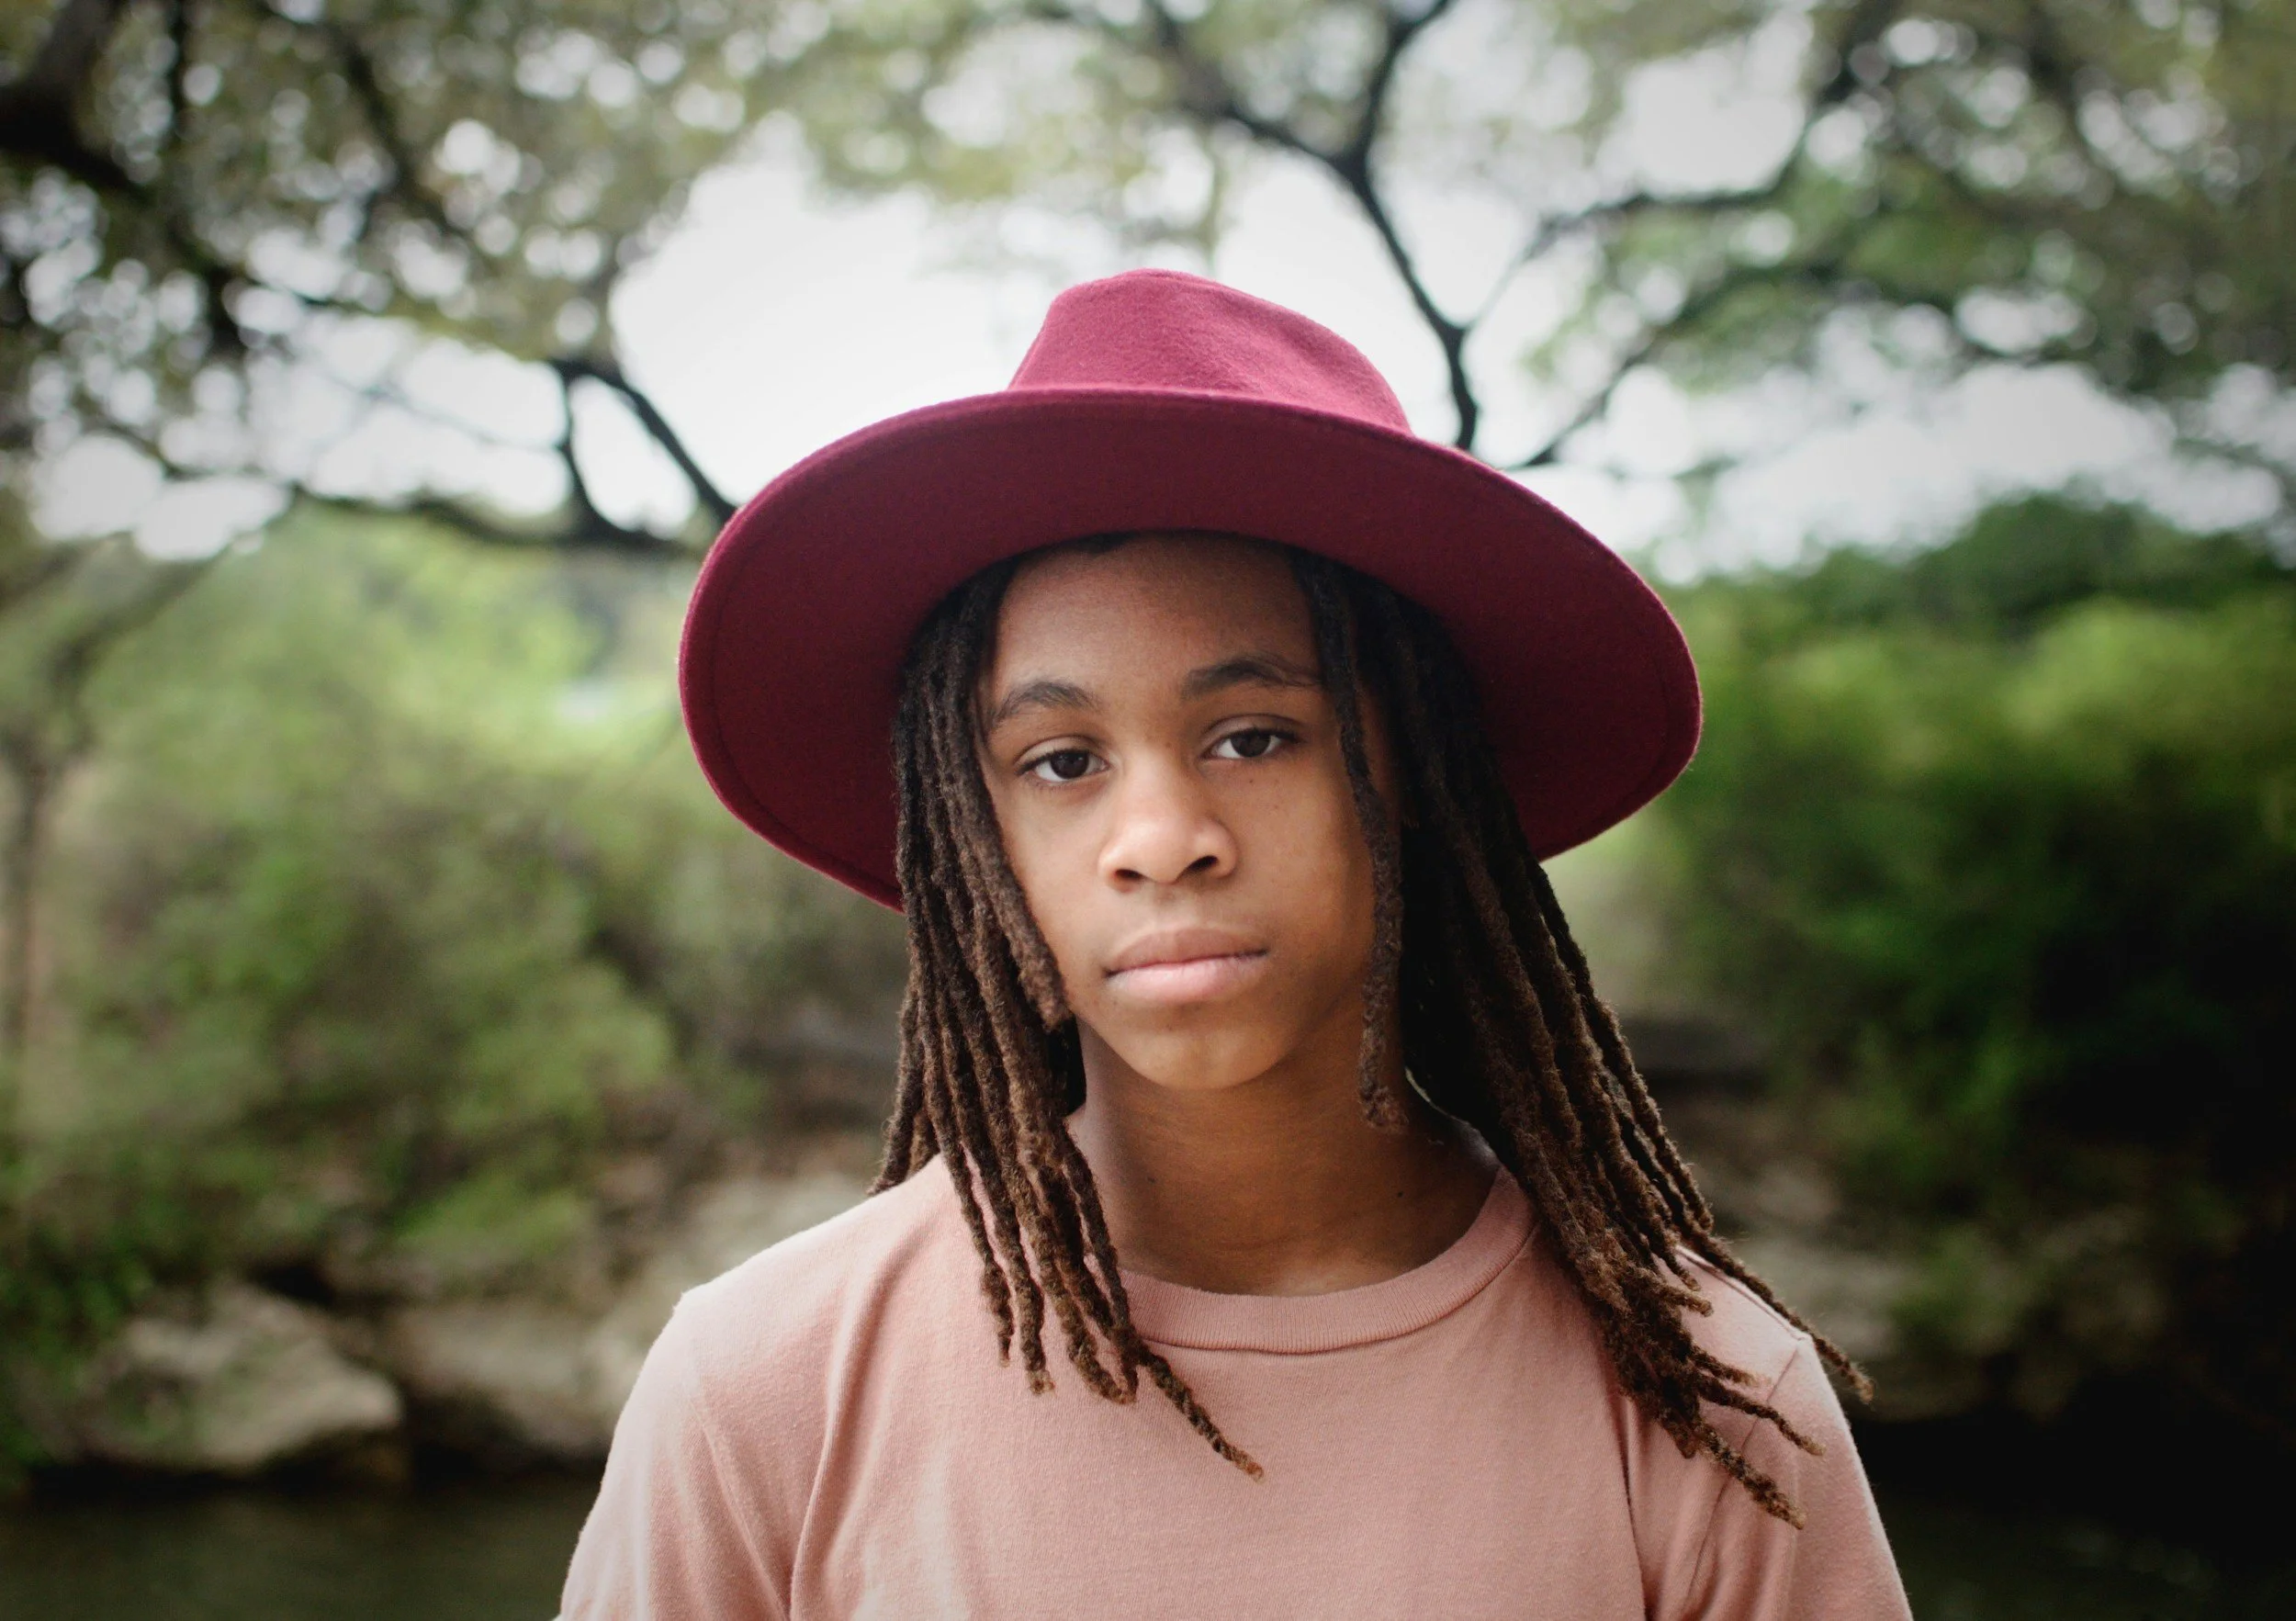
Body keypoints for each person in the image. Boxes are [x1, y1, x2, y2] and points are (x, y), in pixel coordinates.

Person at [560, 270, 1912, 1619]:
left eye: (1254, 736)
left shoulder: (1709, 1410)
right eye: (1062, 760)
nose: (1161, 836)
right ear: (977, 838)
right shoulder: (764, 1392)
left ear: (1421, 782)